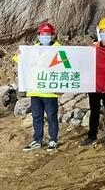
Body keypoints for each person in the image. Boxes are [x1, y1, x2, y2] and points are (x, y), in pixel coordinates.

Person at [22, 22, 61, 152]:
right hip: (35, 89)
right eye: (43, 34)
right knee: (36, 117)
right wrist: (19, 56)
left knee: (51, 117)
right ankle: (37, 140)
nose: (45, 37)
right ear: (38, 36)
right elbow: (25, 63)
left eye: (48, 34)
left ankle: (53, 140)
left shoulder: (59, 50)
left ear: (52, 35)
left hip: (50, 91)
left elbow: (65, 66)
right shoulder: (32, 50)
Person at [81, 17, 105, 147]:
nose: (104, 33)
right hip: (95, 84)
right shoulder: (94, 46)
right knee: (94, 111)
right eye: (102, 31)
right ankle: (92, 135)